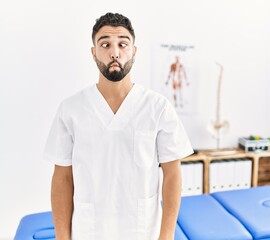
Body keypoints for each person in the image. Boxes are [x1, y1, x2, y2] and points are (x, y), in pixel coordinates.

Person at [44, 12, 193, 240]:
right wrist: (62, 237)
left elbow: (173, 174)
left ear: (134, 51)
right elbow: (62, 178)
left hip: (143, 231)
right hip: (88, 231)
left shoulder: (158, 107)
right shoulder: (71, 109)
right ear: (93, 53)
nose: (114, 52)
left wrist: (166, 236)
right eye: (105, 44)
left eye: (123, 44)